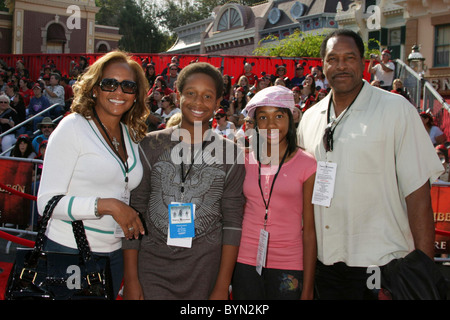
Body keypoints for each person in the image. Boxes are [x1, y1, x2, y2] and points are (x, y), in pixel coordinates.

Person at [297, 29, 444, 300]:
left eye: (349, 57)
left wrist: (422, 271)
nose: (341, 65)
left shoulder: (397, 110)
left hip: (381, 263)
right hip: (323, 264)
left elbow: (419, 196)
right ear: (322, 65)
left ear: (364, 63)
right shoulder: (309, 118)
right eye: (333, 58)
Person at [122, 61, 245, 300]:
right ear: (178, 96)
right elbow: (134, 210)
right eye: (190, 93)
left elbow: (232, 222)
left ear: (218, 102)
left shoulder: (231, 154)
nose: (198, 102)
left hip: (204, 271)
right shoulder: (149, 145)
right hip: (151, 268)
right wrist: (132, 278)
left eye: (207, 96)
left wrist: (222, 286)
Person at [36, 50, 149, 298]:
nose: (119, 92)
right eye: (110, 83)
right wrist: (107, 206)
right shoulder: (73, 126)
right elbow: (46, 203)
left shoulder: (130, 135)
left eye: (128, 86)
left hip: (114, 254)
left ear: (136, 94)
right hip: (69, 250)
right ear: (95, 88)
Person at [232, 85, 317, 300]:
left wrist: (308, 287)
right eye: (262, 118)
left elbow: (309, 230)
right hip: (245, 259)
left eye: (278, 115)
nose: (271, 124)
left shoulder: (307, 164)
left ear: (290, 118)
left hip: (289, 262)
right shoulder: (243, 159)